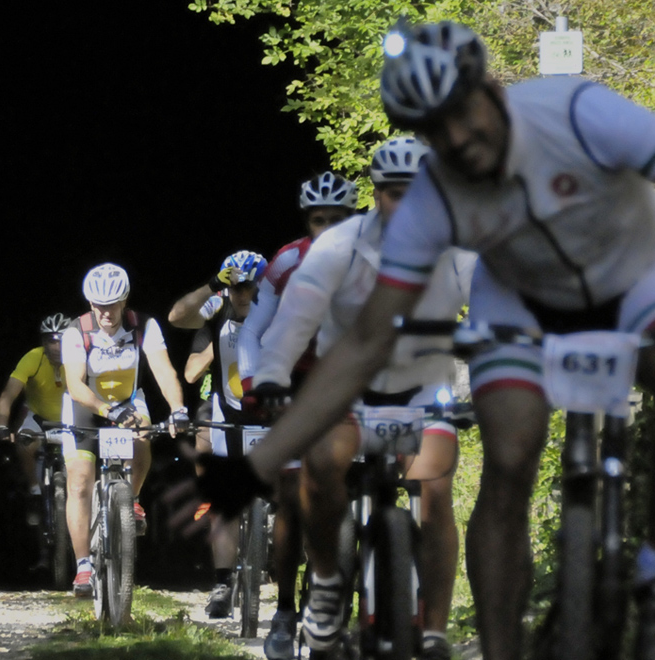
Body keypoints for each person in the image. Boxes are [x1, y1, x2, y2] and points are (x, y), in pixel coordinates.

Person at [194, 19, 655, 660]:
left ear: (491, 86)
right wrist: (252, 470)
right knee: (510, 460)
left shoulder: (578, 111)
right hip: (518, 299)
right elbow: (363, 344)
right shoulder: (433, 195)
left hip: (636, 276)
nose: (457, 139)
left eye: (461, 113)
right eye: (433, 127)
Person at [250, 136, 474, 658]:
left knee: (436, 492)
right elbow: (292, 321)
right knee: (318, 472)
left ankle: (436, 631)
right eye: (395, 192)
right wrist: (271, 376)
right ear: (376, 193)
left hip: (423, 389)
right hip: (348, 390)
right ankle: (326, 583)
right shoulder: (336, 246)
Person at [235, 171, 357, 659]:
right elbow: (252, 331)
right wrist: (252, 386)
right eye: (318, 220)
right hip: (295, 381)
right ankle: (285, 610)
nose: (327, 229)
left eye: (338, 220)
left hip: (349, 378)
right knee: (290, 494)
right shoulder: (286, 262)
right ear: (308, 221)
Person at [62, 262, 190, 596]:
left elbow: (164, 371)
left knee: (143, 433)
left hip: (129, 399)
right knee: (78, 481)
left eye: (113, 304)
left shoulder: (145, 326)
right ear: (90, 304)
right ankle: (83, 566)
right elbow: (75, 385)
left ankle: (131, 497)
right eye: (99, 305)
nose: (106, 312)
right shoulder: (76, 331)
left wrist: (178, 409)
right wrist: (107, 410)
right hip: (87, 405)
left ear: (125, 300)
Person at [168, 250, 268, 618]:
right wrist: (214, 284)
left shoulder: (279, 309)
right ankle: (223, 583)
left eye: (250, 287)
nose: (243, 295)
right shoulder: (218, 307)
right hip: (228, 414)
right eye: (236, 287)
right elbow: (177, 317)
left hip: (272, 417)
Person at [0, 313, 72, 524]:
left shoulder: (79, 358)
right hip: (38, 417)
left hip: (71, 419)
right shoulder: (33, 358)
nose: (56, 347)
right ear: (43, 342)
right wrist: (1, 423)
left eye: (62, 340)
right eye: (51, 341)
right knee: (23, 441)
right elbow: (8, 394)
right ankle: (35, 491)